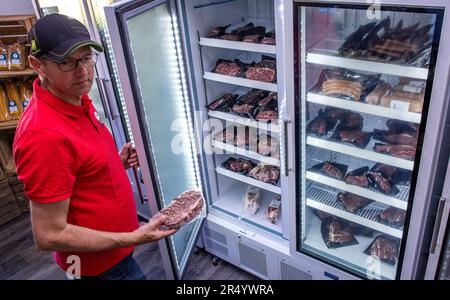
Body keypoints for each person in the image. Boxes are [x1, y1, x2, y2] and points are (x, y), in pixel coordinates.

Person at [13, 13, 177, 280]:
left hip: (116, 252)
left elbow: (76, 170)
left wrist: (115, 162)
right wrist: (131, 236)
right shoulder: (42, 135)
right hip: (100, 268)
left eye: (87, 58)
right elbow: (48, 234)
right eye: (67, 62)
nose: (83, 72)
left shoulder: (74, 98)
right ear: (37, 64)